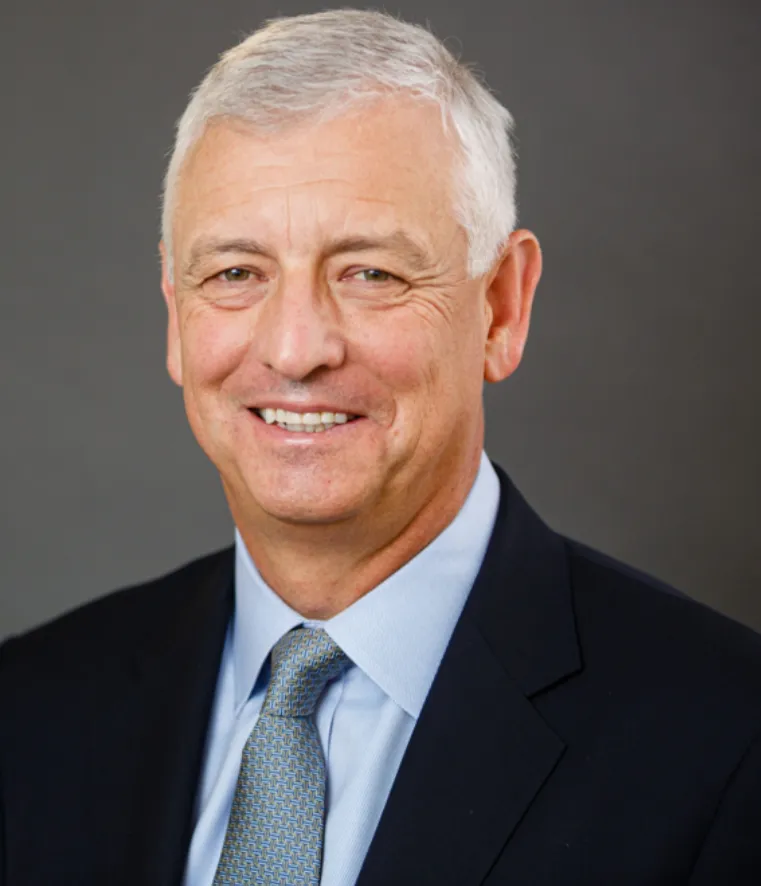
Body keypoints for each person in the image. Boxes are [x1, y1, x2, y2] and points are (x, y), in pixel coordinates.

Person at [1, 8, 760, 885]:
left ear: (503, 307)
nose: (294, 349)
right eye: (235, 273)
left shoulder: (727, 744)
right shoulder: (31, 710)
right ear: (176, 313)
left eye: (371, 273)